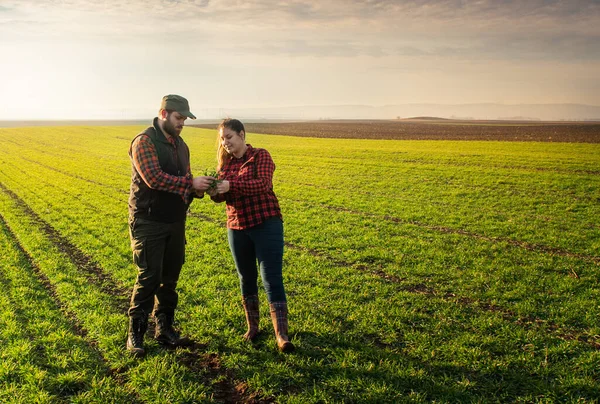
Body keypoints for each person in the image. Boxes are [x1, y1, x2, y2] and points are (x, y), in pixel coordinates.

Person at [126, 94, 215, 357]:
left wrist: (199, 190)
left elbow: (183, 181)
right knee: (148, 278)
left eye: (186, 119)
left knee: (170, 279)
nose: (182, 123)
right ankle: (136, 335)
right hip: (149, 221)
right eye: (179, 118)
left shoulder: (181, 145)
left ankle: (165, 329)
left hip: (175, 221)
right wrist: (190, 184)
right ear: (163, 114)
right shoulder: (144, 141)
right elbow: (154, 179)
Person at [207, 118, 294, 353]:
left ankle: (281, 334)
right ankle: (253, 327)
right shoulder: (224, 166)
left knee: (271, 278)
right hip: (237, 227)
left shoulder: (260, 156)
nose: (225, 143)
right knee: (246, 277)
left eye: (229, 137)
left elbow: (263, 184)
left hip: (266, 223)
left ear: (242, 135)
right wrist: (211, 190)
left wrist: (230, 186)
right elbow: (220, 198)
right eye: (222, 139)